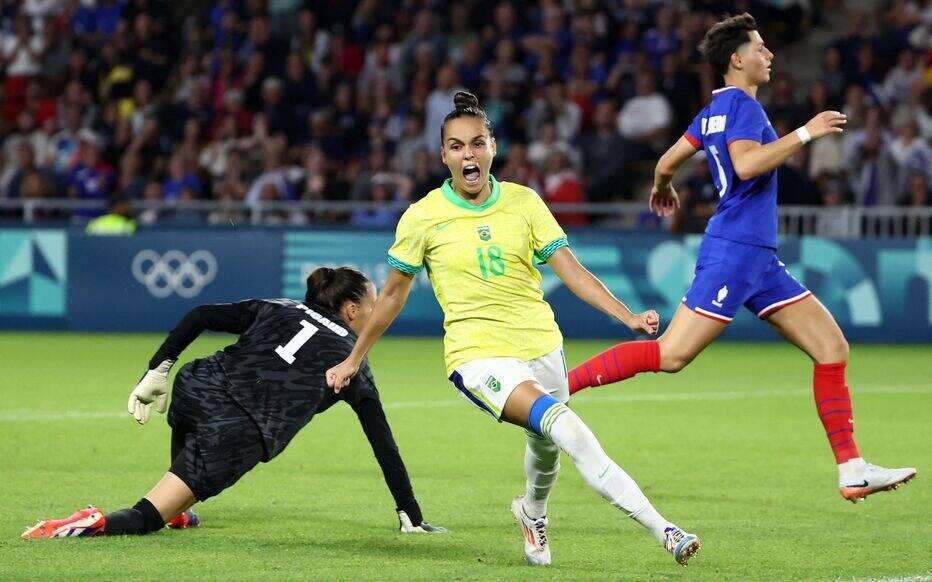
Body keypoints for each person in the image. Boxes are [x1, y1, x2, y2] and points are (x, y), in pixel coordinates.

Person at [326, 91, 701, 568]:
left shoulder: (524, 203)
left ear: (492, 148)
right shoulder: (422, 217)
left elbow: (572, 270)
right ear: (443, 155)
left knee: (547, 450)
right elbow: (395, 293)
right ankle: (664, 530)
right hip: (478, 357)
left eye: (477, 143)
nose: (468, 154)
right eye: (457, 146)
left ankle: (531, 512)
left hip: (542, 344)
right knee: (570, 430)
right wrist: (354, 358)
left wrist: (625, 316)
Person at [567, 14, 916, 503]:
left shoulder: (712, 111)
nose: (769, 54)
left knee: (831, 349)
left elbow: (668, 162)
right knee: (671, 355)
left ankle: (852, 468)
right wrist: (806, 134)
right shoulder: (746, 110)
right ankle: (559, 390)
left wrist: (662, 187)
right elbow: (747, 164)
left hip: (759, 261)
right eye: (760, 47)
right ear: (737, 59)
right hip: (735, 252)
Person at [23, 267, 446, 538]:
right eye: (374, 305)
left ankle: (179, 511)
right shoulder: (352, 359)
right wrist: (409, 511)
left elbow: (201, 314)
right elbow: (383, 443)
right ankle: (88, 523)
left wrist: (158, 368)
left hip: (196, 384)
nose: (378, 314)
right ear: (352, 310)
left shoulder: (279, 307)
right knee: (143, 517)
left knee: (188, 436)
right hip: (237, 430)